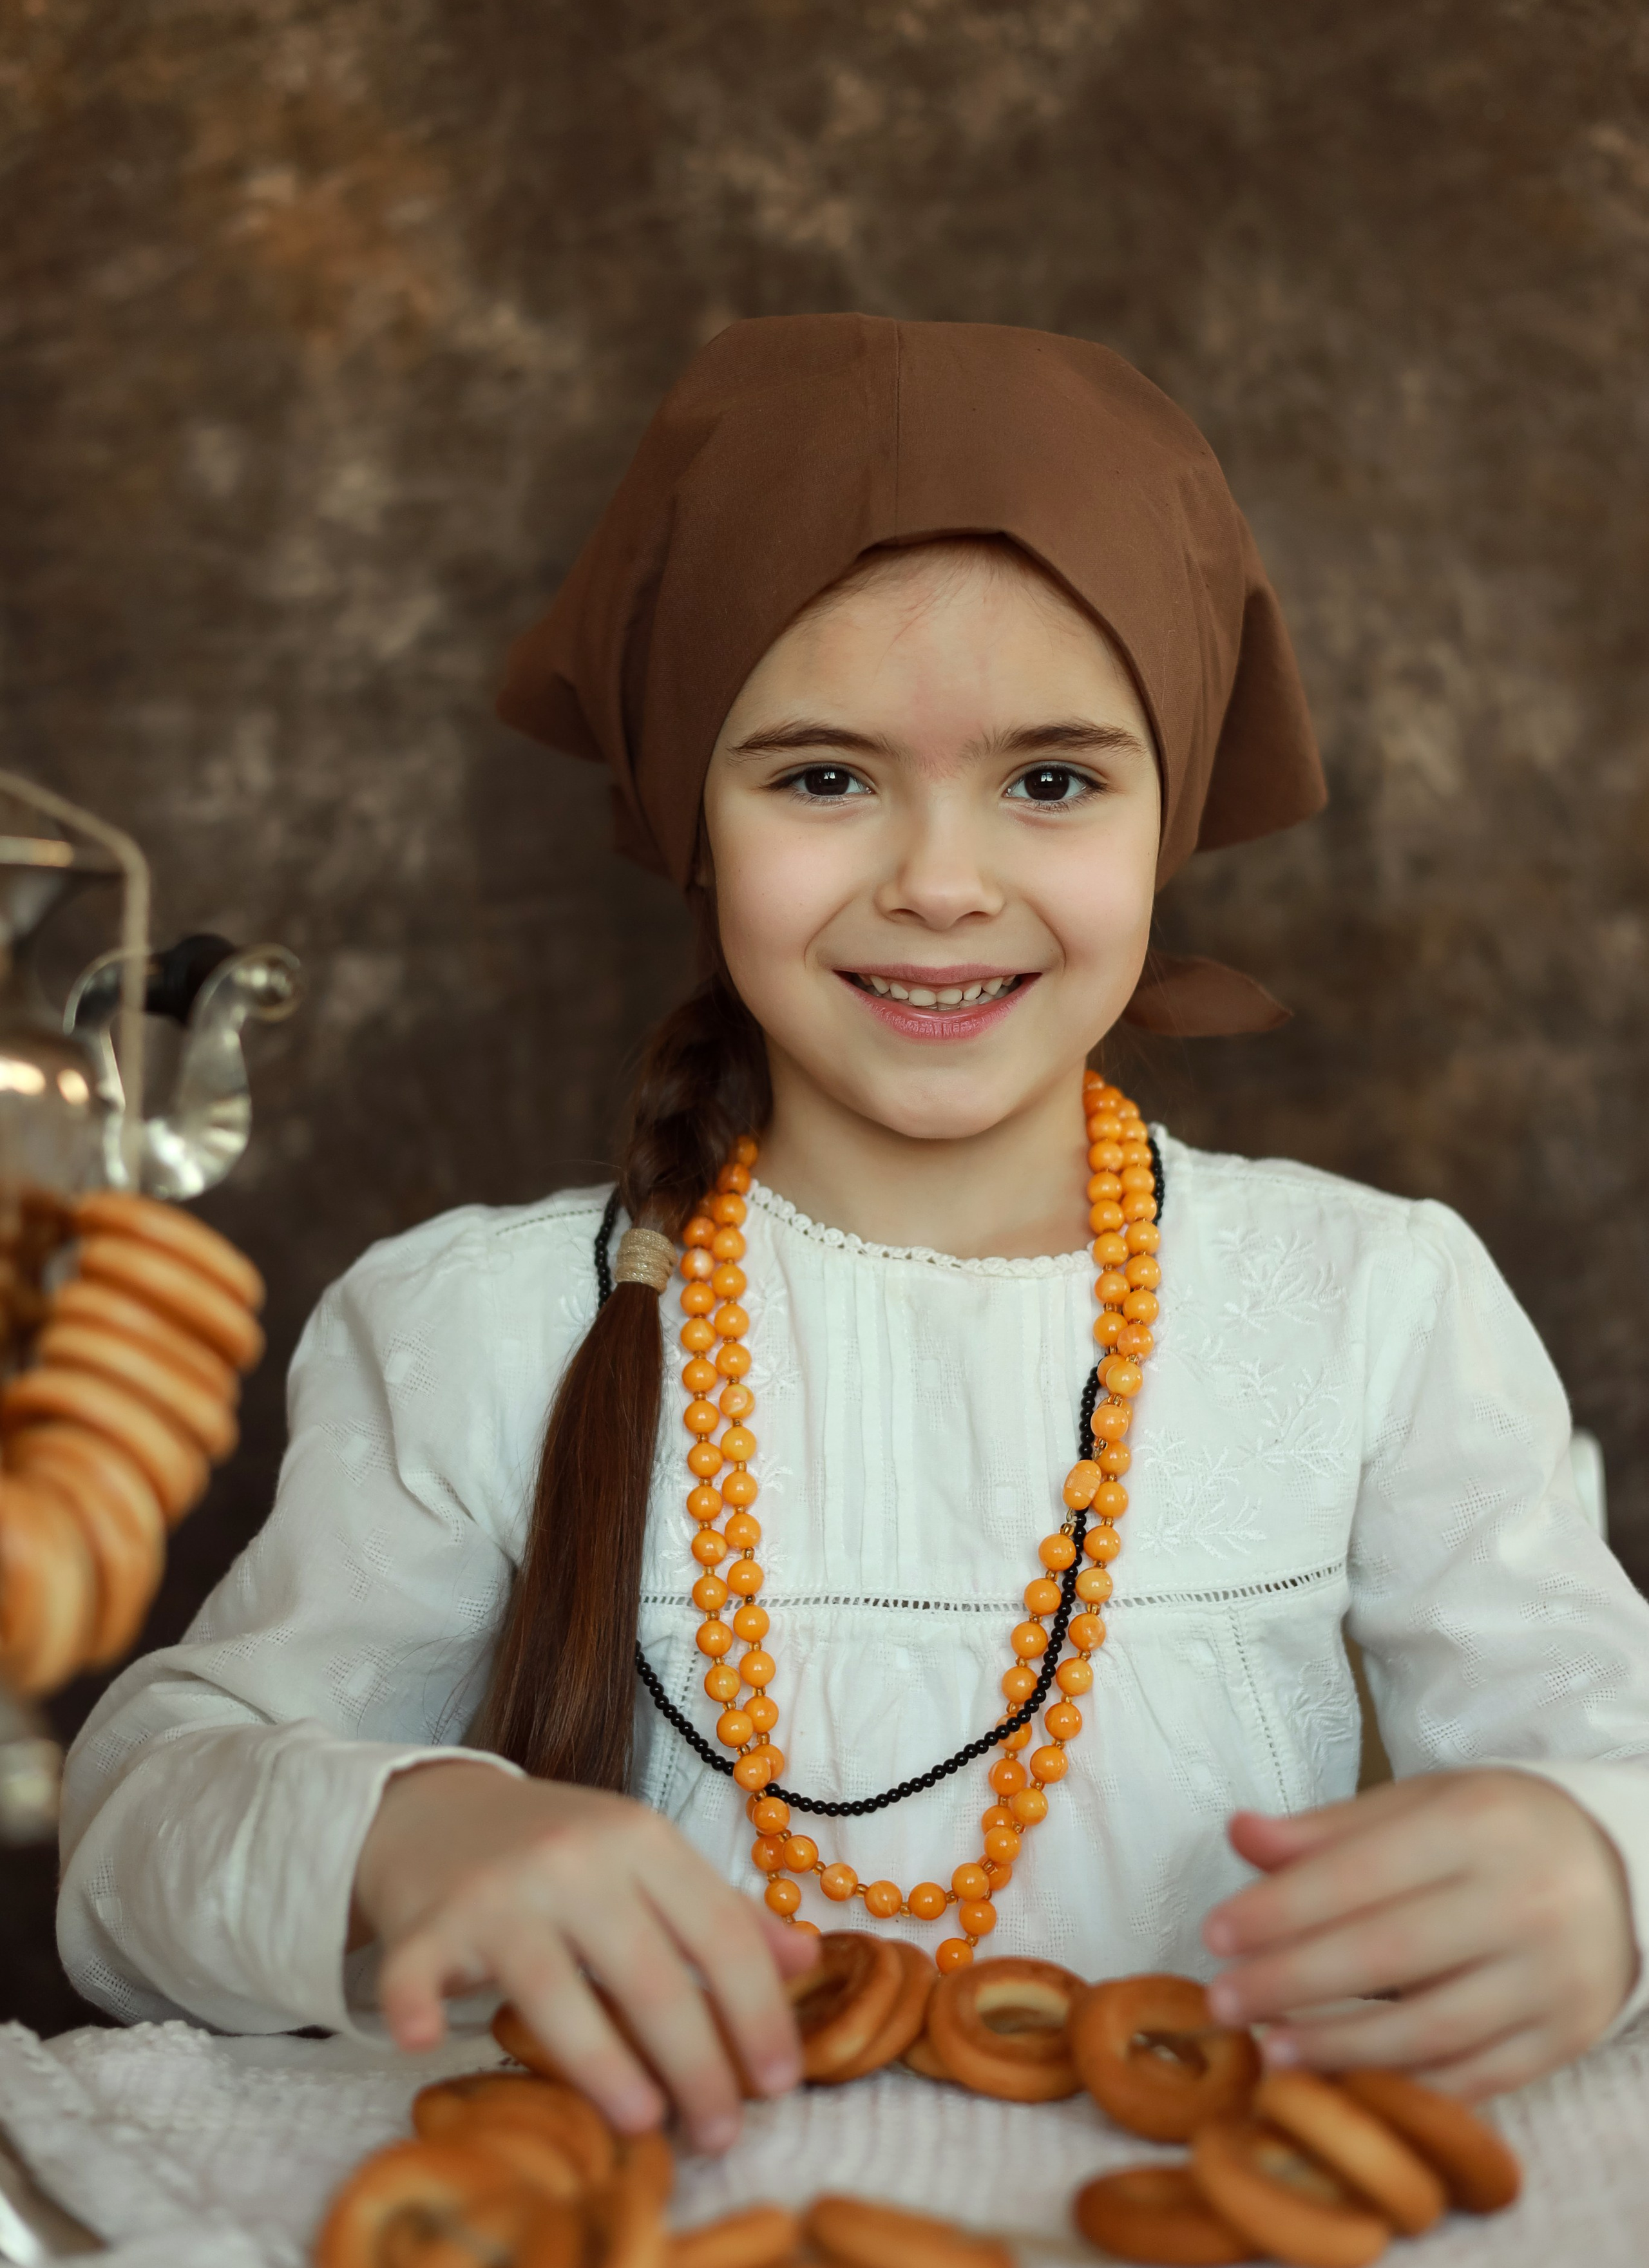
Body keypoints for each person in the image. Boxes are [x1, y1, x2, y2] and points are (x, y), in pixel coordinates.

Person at [59, 317, 1649, 2160]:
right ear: (693, 821)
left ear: (1171, 812)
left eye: (1052, 781)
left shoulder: (1377, 1306)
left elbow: (1613, 1741)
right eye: (824, 778)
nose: (943, 882)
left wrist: (1598, 1866)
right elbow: (130, 1838)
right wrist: (405, 1829)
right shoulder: (472, 1331)